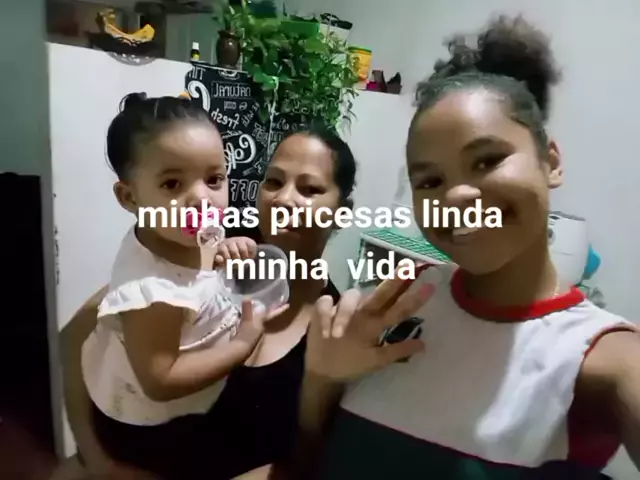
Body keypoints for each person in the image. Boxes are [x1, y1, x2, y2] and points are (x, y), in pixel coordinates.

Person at [295, 15, 640, 479]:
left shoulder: (603, 356)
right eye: (430, 180)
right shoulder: (399, 303)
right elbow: (309, 458)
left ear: (550, 161)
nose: (455, 195)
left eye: (487, 159)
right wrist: (322, 376)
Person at [59, 125, 367, 479]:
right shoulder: (205, 251)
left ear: (342, 212)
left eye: (310, 189)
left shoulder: (332, 327)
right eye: (273, 182)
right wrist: (95, 458)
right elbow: (75, 334)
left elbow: (301, 458)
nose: (284, 199)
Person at [80, 92, 288, 479]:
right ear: (129, 197)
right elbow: (161, 381)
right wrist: (244, 343)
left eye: (214, 179)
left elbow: (200, 265)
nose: (201, 199)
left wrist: (223, 248)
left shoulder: (175, 233)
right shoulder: (155, 291)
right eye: (173, 184)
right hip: (147, 426)